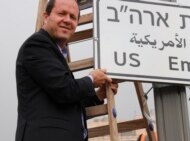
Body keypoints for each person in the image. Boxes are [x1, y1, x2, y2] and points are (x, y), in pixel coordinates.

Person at [15, 0, 118, 141]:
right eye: (61, 13)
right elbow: (64, 90)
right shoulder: (36, 45)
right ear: (46, 17)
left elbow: (64, 101)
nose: (67, 20)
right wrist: (92, 80)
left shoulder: (53, 52)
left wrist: (98, 96)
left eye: (73, 17)